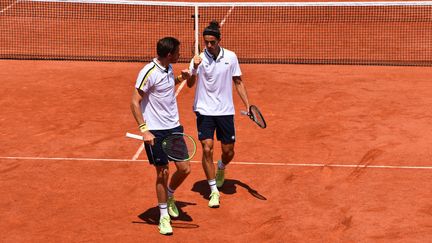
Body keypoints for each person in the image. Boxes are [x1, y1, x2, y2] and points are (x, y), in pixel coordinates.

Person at [130, 37, 191, 235]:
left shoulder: (168, 68)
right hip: (155, 130)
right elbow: (134, 101)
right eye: (177, 52)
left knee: (184, 169)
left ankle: (170, 195)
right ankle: (163, 216)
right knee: (162, 172)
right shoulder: (148, 72)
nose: (180, 54)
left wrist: (181, 79)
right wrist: (144, 130)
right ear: (168, 54)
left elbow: (164, 88)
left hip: (173, 127)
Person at [186, 20, 250, 208]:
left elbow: (238, 81)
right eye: (206, 42)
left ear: (219, 40)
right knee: (207, 148)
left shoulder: (231, 57)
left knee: (228, 151)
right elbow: (190, 84)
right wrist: (195, 67)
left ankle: (221, 167)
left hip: (225, 111)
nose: (209, 45)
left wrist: (248, 104)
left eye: (212, 42)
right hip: (204, 110)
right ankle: (214, 190)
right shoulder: (198, 58)